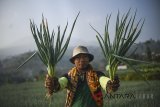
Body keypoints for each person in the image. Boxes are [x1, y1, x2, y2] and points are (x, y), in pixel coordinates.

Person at [45, 46, 120, 107]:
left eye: (85, 57)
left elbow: (103, 80)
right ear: (74, 61)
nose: (82, 60)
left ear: (89, 59)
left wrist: (110, 83)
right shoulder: (69, 76)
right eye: (78, 58)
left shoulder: (97, 74)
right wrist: (54, 83)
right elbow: (61, 83)